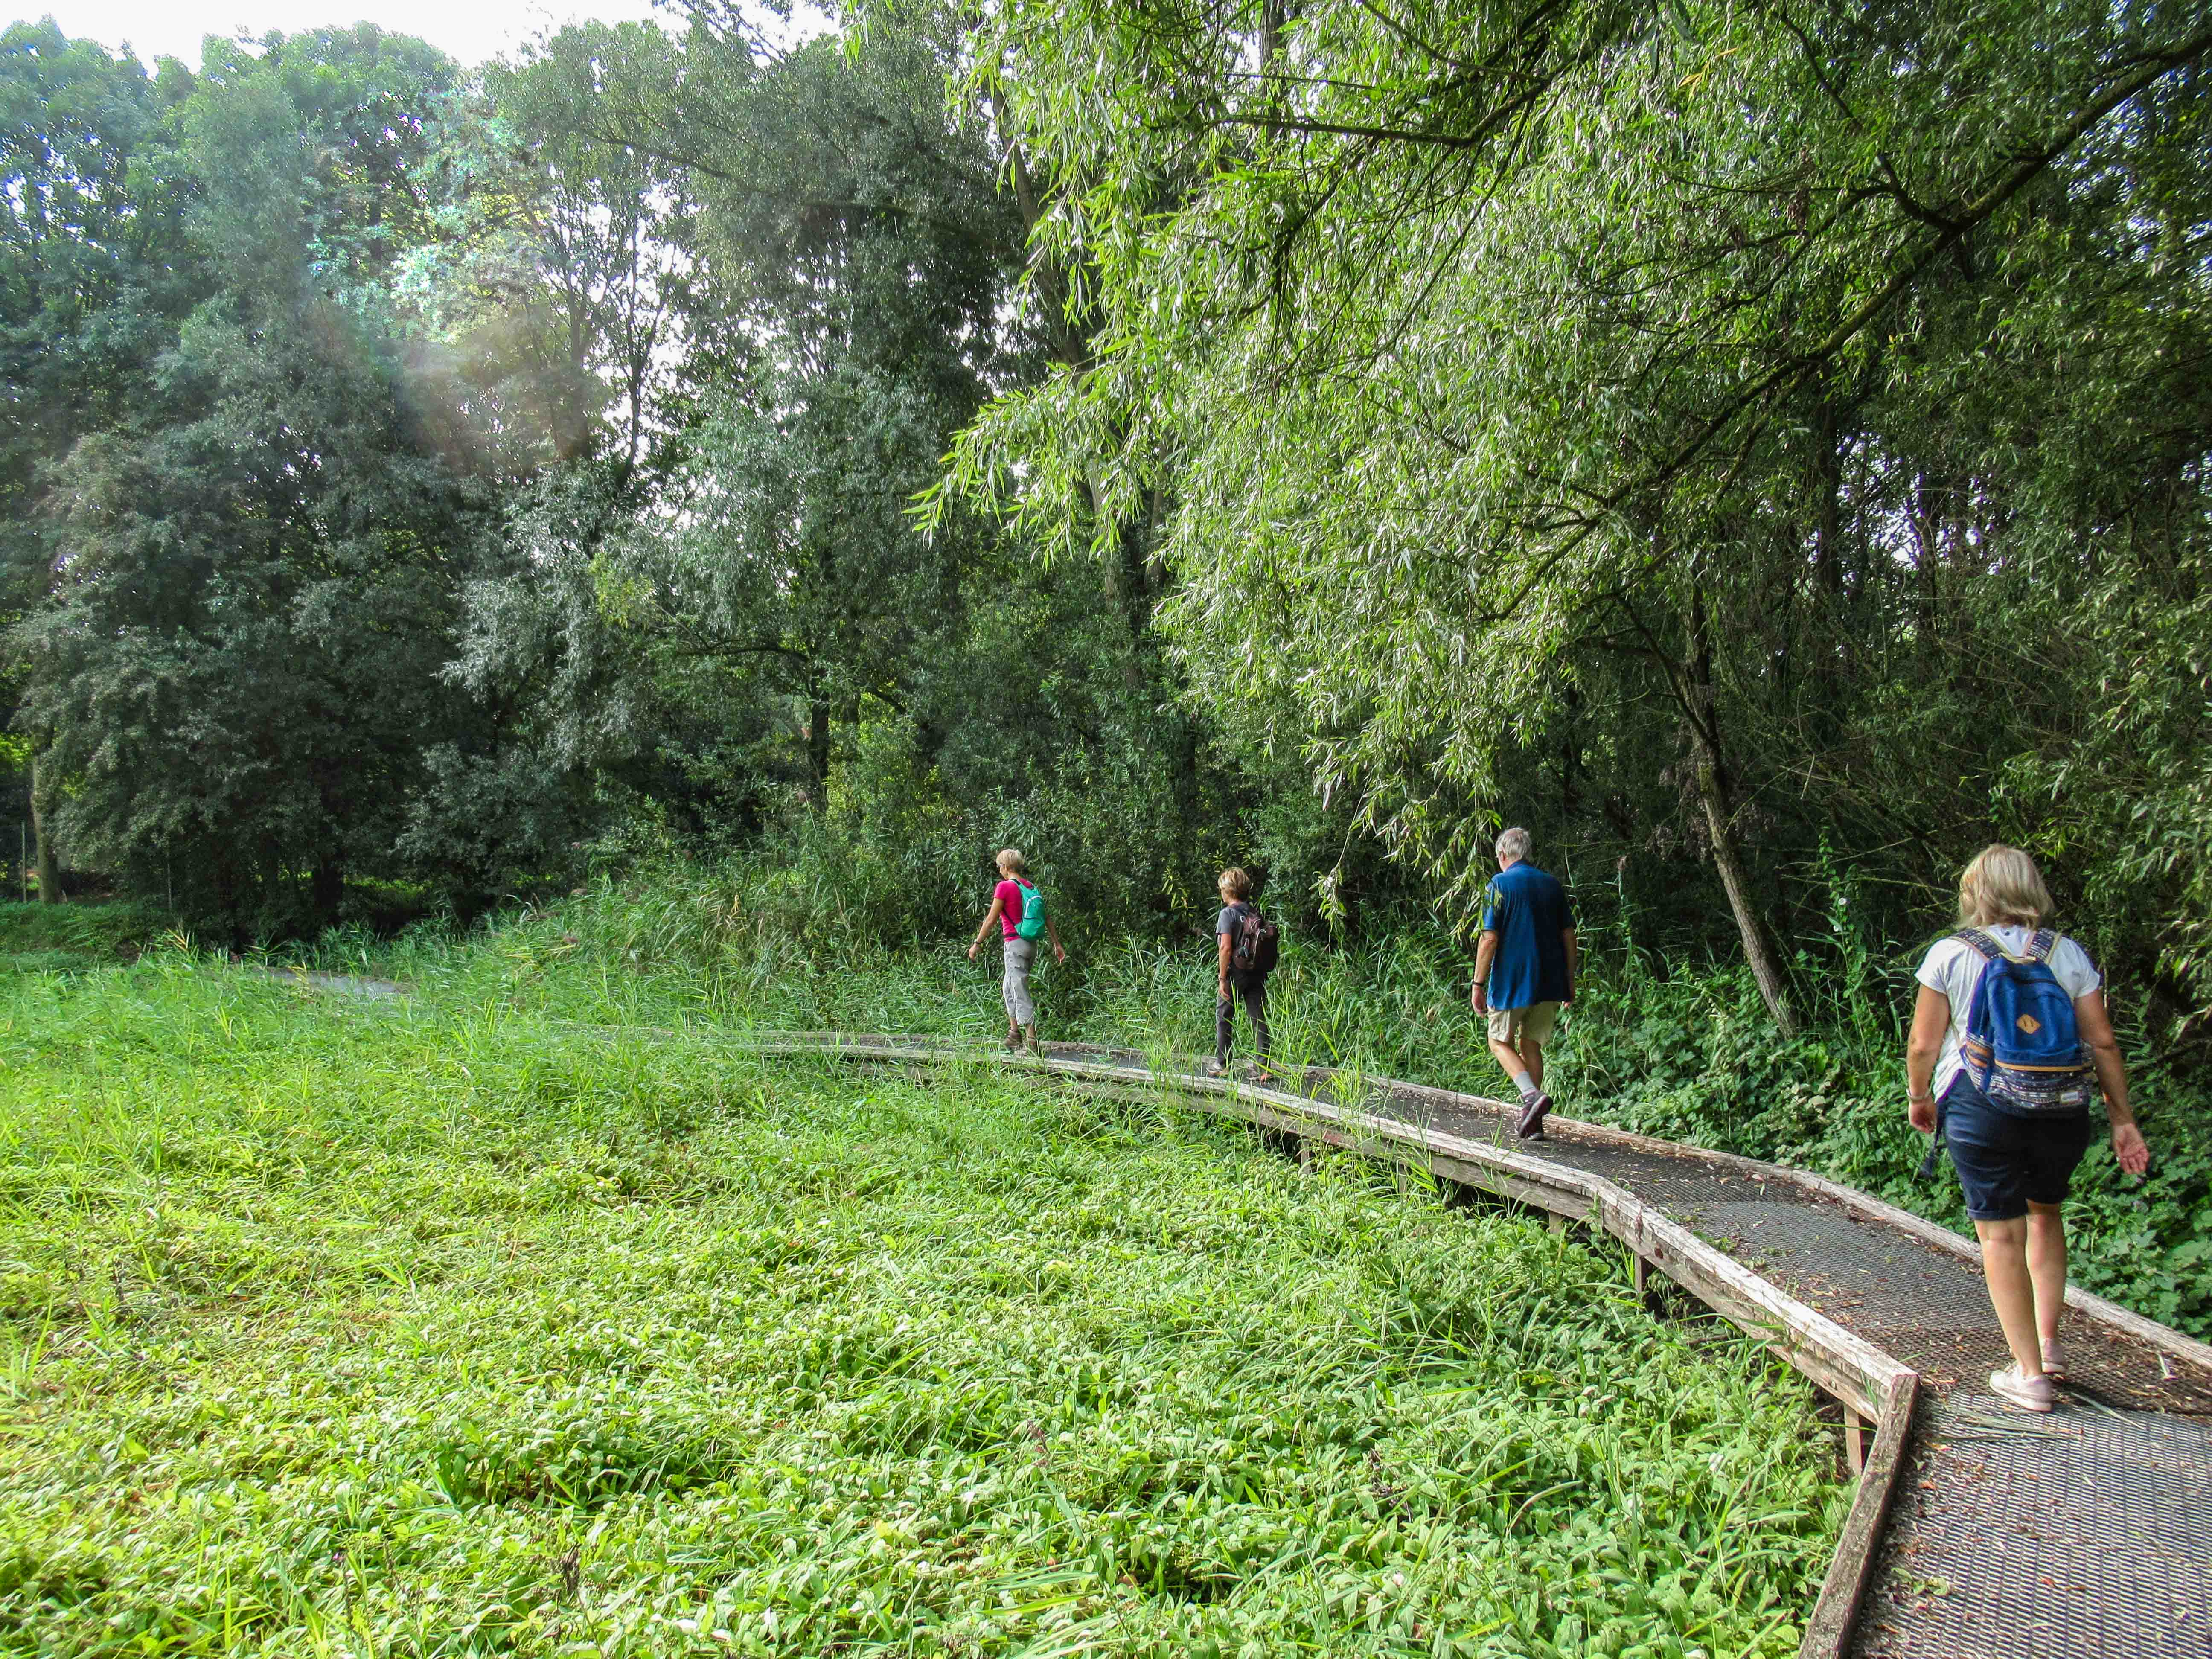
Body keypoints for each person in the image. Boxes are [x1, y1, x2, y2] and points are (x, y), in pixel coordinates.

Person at [1906, 844, 2151, 1412]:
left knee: (1999, 1235)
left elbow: (1923, 1043)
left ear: (1976, 893)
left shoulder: (1950, 953)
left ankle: (2030, 1376)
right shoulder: (2067, 955)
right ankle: (2047, 1344)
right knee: (2046, 1213)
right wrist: (2123, 1119)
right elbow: (2103, 1042)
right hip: (2061, 1107)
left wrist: (1920, 1097)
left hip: (1979, 1103)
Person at [1470, 827, 1577, 1139]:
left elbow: (1489, 939)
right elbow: (1569, 936)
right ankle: (1535, 1124)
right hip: (1549, 982)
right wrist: (1569, 982)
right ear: (1527, 853)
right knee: (1531, 1044)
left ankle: (1531, 1096)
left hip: (1513, 981)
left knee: (1498, 1042)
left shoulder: (1499, 884)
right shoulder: (1551, 885)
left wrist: (1478, 984)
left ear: (1503, 855)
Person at [968, 848, 1065, 1053]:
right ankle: (1014, 1034)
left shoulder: (1004, 887)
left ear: (1005, 867)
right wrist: (1057, 944)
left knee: (1019, 989)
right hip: (1031, 945)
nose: (999, 870)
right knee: (1009, 987)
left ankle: (1032, 1041)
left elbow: (991, 919)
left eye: (999, 866)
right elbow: (1047, 918)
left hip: (1015, 945)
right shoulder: (1031, 887)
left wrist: (977, 943)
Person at [1206, 867, 1273, 1077]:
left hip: (1236, 973)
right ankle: (1264, 1069)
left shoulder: (1228, 914)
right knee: (1258, 1018)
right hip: (1257, 972)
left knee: (1224, 1015)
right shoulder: (1254, 913)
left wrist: (1222, 978)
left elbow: (1225, 948)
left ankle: (1223, 1064)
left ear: (1228, 891)